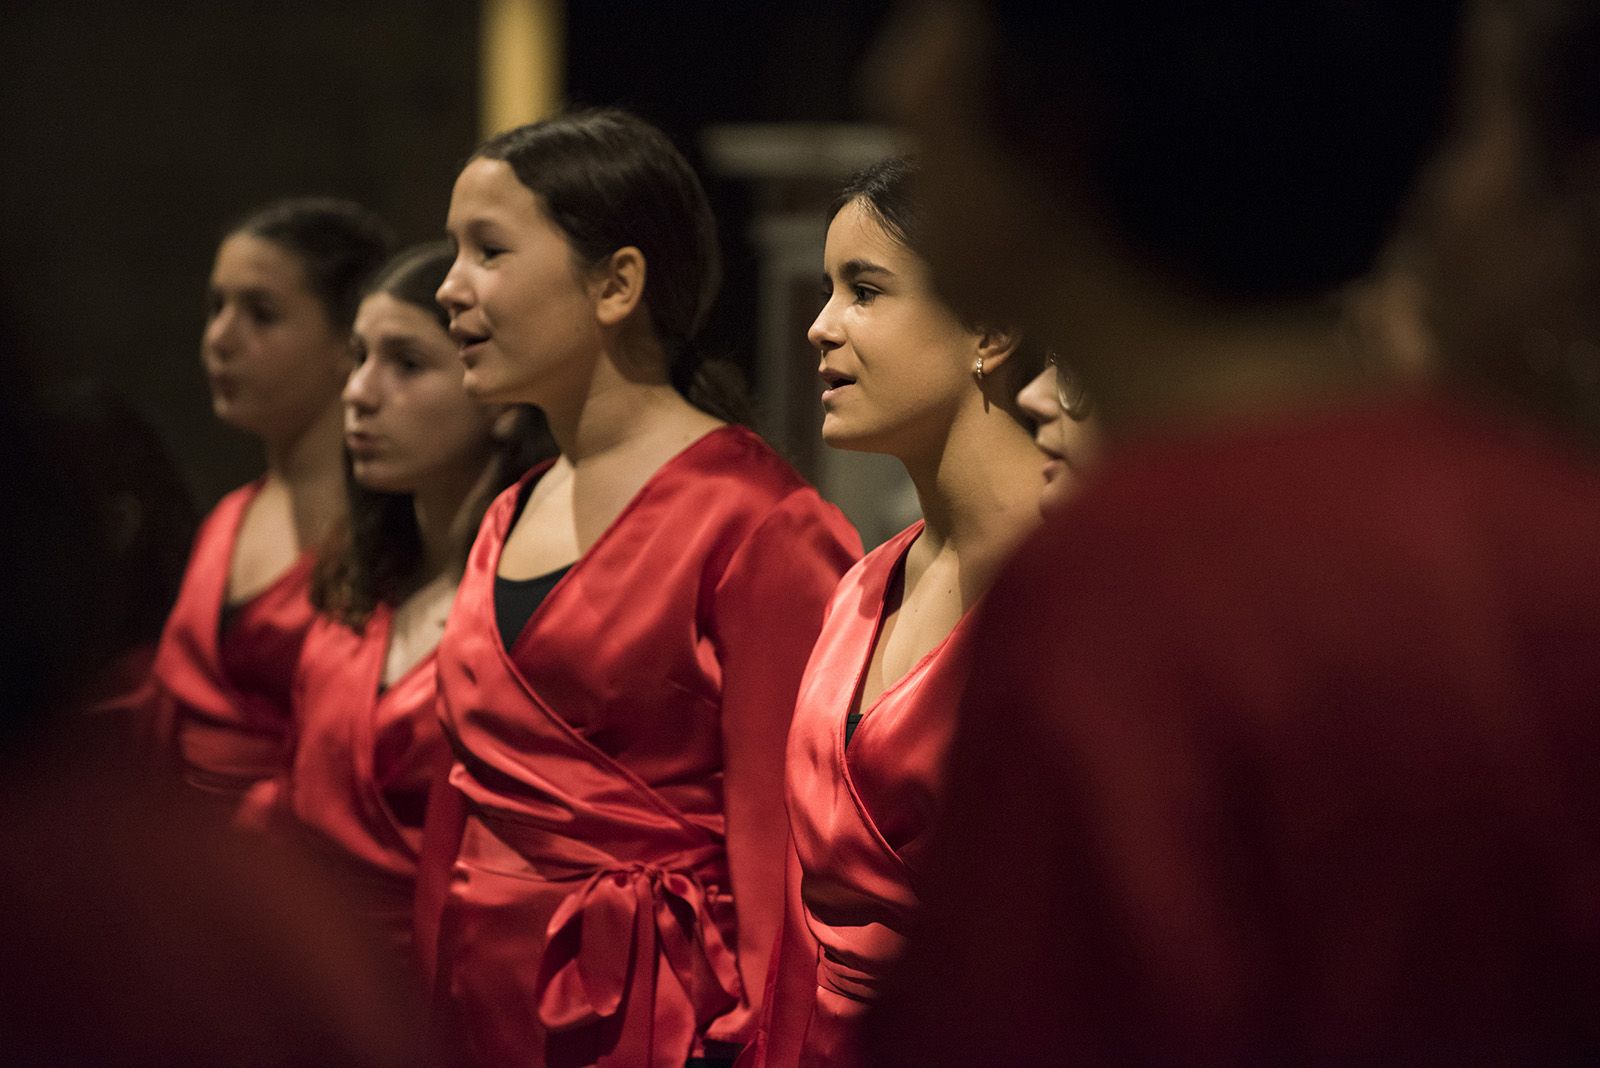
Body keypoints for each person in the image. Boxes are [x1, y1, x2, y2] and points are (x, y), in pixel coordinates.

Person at [861, 0, 1600, 1061]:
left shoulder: (1128, 585)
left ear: (1064, 116)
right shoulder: (1546, 522)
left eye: (944, 31)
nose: (898, 83)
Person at [421, 107, 862, 1066]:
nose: (450, 289)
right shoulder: (508, 513)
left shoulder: (754, 521)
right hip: (476, 1009)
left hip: (651, 1020)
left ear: (618, 282)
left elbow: (783, 855)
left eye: (488, 251)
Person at [743, 157, 1062, 1068]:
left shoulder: (1068, 595)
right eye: (830, 289)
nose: (818, 325)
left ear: (989, 328)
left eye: (865, 291)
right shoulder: (862, 583)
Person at [238, 243, 548, 965]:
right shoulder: (359, 579)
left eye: (406, 364)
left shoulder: (527, 602)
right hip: (307, 975)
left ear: (499, 398)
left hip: (451, 985)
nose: (358, 393)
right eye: (357, 358)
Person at [151, 198, 393, 806]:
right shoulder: (230, 514)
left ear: (347, 342)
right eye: (216, 307)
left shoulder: (386, 535)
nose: (219, 338)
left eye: (260, 314)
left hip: (298, 870)